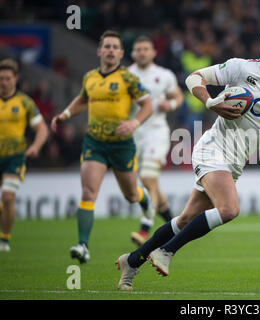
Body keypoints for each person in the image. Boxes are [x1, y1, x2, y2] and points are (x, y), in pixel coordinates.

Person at [116, 27, 260, 290]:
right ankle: (167, 252)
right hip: (213, 149)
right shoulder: (240, 68)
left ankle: (132, 261)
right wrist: (210, 102)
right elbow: (194, 78)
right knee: (229, 209)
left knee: (184, 219)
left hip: (235, 162)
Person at [51, 30, 153, 263]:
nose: (110, 50)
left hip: (121, 145)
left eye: (115, 47)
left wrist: (134, 123)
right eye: (106, 46)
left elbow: (147, 105)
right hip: (95, 143)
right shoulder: (90, 78)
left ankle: (146, 203)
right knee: (88, 192)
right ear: (99, 51)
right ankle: (83, 245)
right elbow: (83, 99)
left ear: (121, 53)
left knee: (130, 195)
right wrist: (65, 114)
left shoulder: (128, 79)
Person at [128, 35, 184, 246]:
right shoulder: (126, 76)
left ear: (153, 52)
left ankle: (144, 229)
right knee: (148, 183)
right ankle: (175, 225)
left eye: (146, 49)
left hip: (157, 132)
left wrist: (170, 105)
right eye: (138, 49)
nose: (142, 52)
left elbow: (178, 96)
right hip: (134, 134)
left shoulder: (164, 75)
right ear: (133, 53)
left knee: (147, 176)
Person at [0, 58, 48, 252]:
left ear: (16, 78)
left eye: (7, 78)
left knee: (8, 196)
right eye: (1, 78)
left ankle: (4, 239)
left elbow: (42, 128)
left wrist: (36, 146)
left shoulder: (24, 102)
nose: (3, 82)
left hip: (15, 156)